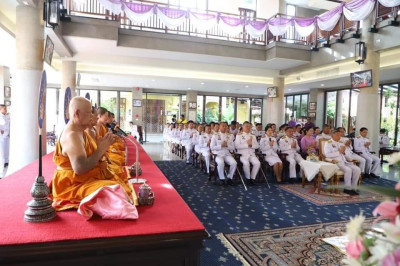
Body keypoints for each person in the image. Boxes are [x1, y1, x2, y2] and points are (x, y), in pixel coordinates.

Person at [51, 97, 136, 218]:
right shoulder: (72, 135)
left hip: (84, 179)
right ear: (77, 114)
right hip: (73, 184)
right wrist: (101, 149)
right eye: (89, 112)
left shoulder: (81, 131)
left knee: (119, 186)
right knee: (116, 191)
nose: (92, 115)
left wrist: (102, 148)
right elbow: (80, 168)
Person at [324, 129, 361, 195]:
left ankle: (353, 188)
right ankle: (347, 189)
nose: (339, 137)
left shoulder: (341, 142)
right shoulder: (328, 143)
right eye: (337, 135)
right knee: (348, 170)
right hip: (336, 162)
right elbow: (327, 155)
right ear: (332, 136)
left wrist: (344, 153)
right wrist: (339, 152)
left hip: (344, 161)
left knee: (357, 169)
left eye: (340, 135)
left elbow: (345, 153)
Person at [0, 104, 10, 177]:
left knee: (7, 150)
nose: (5, 109)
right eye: (4, 108)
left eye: (5, 108)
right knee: (2, 152)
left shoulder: (7, 116)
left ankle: (6, 162)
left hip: (7, 135)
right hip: (1, 136)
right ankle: (2, 167)